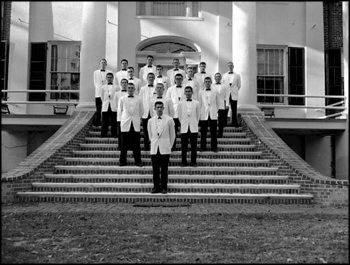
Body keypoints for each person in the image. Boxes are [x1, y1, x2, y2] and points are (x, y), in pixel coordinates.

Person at [147, 101, 176, 194]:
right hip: (155, 148)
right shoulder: (150, 121)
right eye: (157, 107)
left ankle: (164, 187)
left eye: (161, 107)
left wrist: (169, 146)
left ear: (163, 108)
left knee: (164, 169)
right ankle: (155, 187)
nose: (159, 109)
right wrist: (154, 143)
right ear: (154, 109)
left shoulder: (169, 120)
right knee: (155, 169)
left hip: (165, 148)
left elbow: (172, 135)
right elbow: (150, 135)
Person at [117, 82, 143, 167]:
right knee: (124, 143)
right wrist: (123, 120)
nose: (130, 89)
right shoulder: (122, 99)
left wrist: (137, 118)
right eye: (129, 88)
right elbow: (120, 111)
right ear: (127, 89)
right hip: (125, 123)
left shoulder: (139, 99)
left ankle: (138, 161)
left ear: (134, 89)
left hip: (135, 123)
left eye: (132, 88)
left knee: (136, 144)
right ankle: (122, 161)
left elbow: (141, 111)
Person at [178, 86, 200, 167]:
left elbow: (198, 116)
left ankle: (193, 162)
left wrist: (194, 123)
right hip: (184, 126)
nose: (187, 93)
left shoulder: (197, 103)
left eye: (189, 91)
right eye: (186, 91)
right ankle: (184, 162)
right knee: (184, 146)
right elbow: (180, 115)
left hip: (193, 127)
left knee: (194, 146)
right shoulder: (180, 104)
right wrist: (183, 123)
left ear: (192, 92)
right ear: (184, 93)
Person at [198, 76, 220, 152]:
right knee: (203, 132)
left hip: (213, 114)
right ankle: (202, 147)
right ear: (204, 83)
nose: (207, 83)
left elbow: (218, 103)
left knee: (213, 132)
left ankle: (214, 147)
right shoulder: (200, 92)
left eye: (208, 81)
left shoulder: (215, 91)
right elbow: (199, 104)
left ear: (211, 82)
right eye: (206, 81)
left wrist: (215, 110)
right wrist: (200, 114)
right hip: (204, 114)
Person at [166, 73, 186, 151]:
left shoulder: (186, 88)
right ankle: (172, 147)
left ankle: (184, 148)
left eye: (180, 78)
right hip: (173, 114)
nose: (178, 80)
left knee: (184, 132)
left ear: (182, 80)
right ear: (174, 80)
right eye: (177, 78)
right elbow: (167, 101)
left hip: (184, 114)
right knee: (173, 132)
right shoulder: (170, 89)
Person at [139, 72, 156, 151]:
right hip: (145, 112)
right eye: (150, 77)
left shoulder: (157, 88)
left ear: (154, 78)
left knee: (154, 130)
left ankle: (154, 146)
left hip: (154, 112)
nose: (151, 78)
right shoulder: (142, 89)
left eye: (152, 77)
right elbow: (140, 100)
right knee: (145, 131)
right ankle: (146, 146)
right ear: (147, 78)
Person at [222, 62, 241, 127]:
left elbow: (239, 85)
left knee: (234, 109)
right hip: (226, 94)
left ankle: (234, 123)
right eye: (229, 66)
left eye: (231, 66)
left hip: (234, 94)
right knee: (225, 109)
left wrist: (235, 90)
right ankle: (224, 123)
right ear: (227, 67)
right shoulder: (224, 75)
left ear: (233, 66)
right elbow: (222, 85)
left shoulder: (237, 75)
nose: (230, 67)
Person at [100, 72, 119, 138]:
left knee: (114, 121)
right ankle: (103, 134)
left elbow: (117, 97)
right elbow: (102, 97)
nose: (109, 78)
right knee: (104, 121)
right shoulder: (103, 87)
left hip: (113, 105)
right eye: (108, 77)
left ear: (113, 78)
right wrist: (105, 102)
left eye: (111, 77)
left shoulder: (117, 87)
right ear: (106, 78)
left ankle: (114, 134)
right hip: (105, 105)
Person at [93, 58, 110, 126]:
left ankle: (106, 122)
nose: (103, 64)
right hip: (98, 93)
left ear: (106, 64)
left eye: (104, 62)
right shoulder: (95, 72)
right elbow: (95, 83)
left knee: (106, 108)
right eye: (101, 62)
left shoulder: (109, 72)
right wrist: (98, 89)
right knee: (98, 108)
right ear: (99, 64)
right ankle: (98, 122)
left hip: (106, 93)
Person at [114, 78, 129, 150]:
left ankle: (128, 146)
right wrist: (121, 111)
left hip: (128, 117)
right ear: (120, 84)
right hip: (120, 116)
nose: (124, 84)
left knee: (128, 132)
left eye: (125, 83)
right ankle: (120, 146)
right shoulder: (117, 93)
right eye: (122, 83)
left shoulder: (130, 93)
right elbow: (115, 104)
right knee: (120, 132)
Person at [213, 72, 229, 138]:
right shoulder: (211, 85)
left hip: (222, 104)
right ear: (214, 78)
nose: (218, 78)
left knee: (221, 120)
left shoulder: (225, 86)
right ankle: (214, 133)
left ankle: (220, 133)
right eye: (217, 76)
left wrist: (227, 104)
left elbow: (227, 96)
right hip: (214, 104)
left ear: (221, 78)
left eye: (219, 76)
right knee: (213, 120)